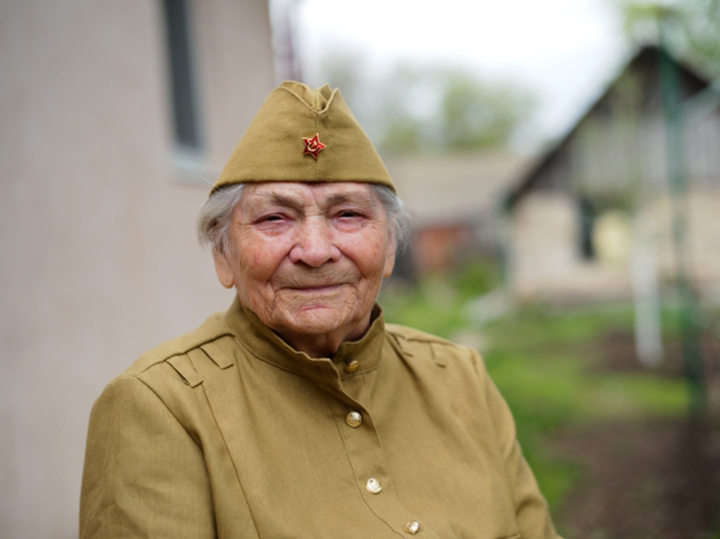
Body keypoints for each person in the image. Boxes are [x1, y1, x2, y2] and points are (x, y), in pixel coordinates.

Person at [80, 81, 561, 538]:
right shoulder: (160, 408)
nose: (315, 250)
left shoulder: (460, 378)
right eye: (274, 218)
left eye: (348, 214)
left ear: (390, 248)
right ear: (223, 256)